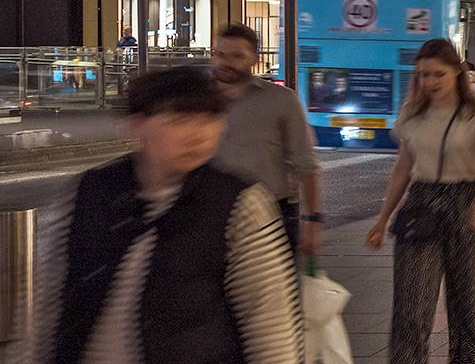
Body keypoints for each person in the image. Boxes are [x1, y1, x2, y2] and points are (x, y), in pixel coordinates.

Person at [38, 66, 303, 364]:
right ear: (136, 125)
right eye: (180, 120)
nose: (199, 134)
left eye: (210, 119)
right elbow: (44, 310)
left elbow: (272, 329)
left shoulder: (240, 204)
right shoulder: (88, 192)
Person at [367, 39, 475, 364]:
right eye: (423, 75)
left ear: (457, 71)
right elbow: (404, 166)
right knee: (411, 306)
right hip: (422, 203)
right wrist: (383, 218)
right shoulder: (412, 112)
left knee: (470, 306)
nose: (429, 82)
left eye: (437, 74)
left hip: (467, 203)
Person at [209, 24, 321, 258]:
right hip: (210, 212)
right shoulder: (196, 99)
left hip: (270, 213)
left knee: (271, 290)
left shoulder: (281, 100)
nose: (226, 62)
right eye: (220, 54)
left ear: (255, 59)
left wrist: (312, 221)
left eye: (237, 56)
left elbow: (306, 164)